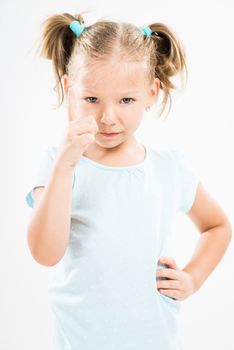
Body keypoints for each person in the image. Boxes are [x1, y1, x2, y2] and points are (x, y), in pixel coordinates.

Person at [25, 12, 232, 350]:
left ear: (151, 93)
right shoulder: (56, 162)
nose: (108, 117)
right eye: (91, 99)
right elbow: (45, 253)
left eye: (126, 100)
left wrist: (192, 278)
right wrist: (66, 163)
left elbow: (217, 226)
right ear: (69, 88)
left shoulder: (168, 168)